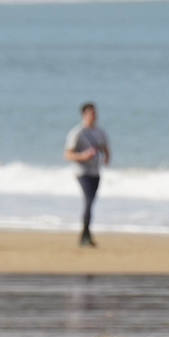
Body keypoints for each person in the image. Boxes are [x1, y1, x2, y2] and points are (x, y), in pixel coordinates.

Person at [64, 102, 110, 247]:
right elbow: (68, 154)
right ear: (84, 115)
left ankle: (86, 234)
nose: (94, 116)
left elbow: (105, 148)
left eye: (95, 113)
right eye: (91, 113)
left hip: (96, 171)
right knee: (89, 201)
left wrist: (106, 158)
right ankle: (85, 235)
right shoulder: (77, 133)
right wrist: (83, 156)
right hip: (82, 172)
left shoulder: (100, 132)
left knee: (91, 203)